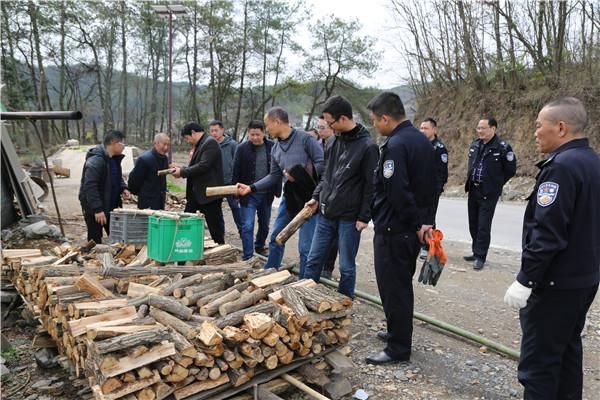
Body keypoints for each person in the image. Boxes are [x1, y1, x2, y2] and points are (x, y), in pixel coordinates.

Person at [503, 97, 599, 400]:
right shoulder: (593, 162)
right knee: (567, 353)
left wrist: (526, 279)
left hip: (555, 284)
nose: (534, 132)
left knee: (539, 365)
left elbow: (547, 234)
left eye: (538, 126)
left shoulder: (561, 168)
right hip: (583, 279)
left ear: (561, 127)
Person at [365, 91, 436, 365]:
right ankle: (397, 333)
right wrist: (425, 220)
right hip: (409, 229)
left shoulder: (396, 145)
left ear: (385, 118)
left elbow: (397, 192)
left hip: (396, 230)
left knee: (394, 288)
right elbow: (431, 187)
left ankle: (398, 348)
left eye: (375, 121)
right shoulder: (420, 140)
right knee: (399, 286)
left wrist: (417, 222)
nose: (375, 126)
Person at [303, 96, 379, 298]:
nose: (328, 126)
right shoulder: (332, 142)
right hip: (326, 213)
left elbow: (371, 185)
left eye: (330, 122)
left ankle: (345, 302)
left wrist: (364, 216)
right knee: (313, 259)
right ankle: (303, 299)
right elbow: (326, 175)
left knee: (346, 267)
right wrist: (317, 197)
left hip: (349, 218)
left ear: (343, 118)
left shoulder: (368, 147)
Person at [237, 107, 324, 275]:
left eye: (267, 125)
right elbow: (273, 176)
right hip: (290, 197)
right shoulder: (275, 148)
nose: (266, 129)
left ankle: (305, 283)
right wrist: (251, 188)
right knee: (276, 237)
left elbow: (322, 164)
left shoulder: (305, 139)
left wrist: (300, 173)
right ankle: (269, 273)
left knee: (306, 247)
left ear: (277, 122)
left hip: (310, 198)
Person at [464, 117, 516, 270]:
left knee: (483, 226)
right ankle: (475, 251)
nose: (480, 131)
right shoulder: (475, 145)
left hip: (489, 192)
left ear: (493, 129)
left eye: (483, 128)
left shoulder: (503, 147)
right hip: (474, 189)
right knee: (473, 222)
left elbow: (510, 170)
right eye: (478, 128)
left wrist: (496, 183)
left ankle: (480, 256)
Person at [232, 120, 279, 260]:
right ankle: (248, 256)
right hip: (248, 194)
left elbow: (277, 171)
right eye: (252, 134)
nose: (254, 137)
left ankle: (259, 245)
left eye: (257, 134)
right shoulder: (242, 148)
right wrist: (235, 191)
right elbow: (236, 170)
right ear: (248, 133)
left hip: (267, 193)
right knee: (247, 225)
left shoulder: (273, 147)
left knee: (264, 224)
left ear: (264, 133)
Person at [172, 122, 225, 244]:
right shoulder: (202, 143)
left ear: (193, 133)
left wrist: (182, 172)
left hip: (209, 195)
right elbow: (196, 166)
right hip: (196, 194)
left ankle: (221, 250)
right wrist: (182, 168)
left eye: (187, 138)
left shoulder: (210, 143)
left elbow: (203, 166)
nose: (188, 141)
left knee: (215, 227)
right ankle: (184, 250)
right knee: (186, 222)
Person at [79, 130, 130, 244]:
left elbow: (116, 177)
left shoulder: (114, 159)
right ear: (113, 143)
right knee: (95, 239)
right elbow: (90, 186)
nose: (124, 147)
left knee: (117, 237)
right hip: (96, 208)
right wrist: (97, 209)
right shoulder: (96, 160)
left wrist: (123, 188)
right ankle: (93, 260)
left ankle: (114, 259)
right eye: (122, 143)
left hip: (111, 206)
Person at [419, 117, 448, 258]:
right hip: (419, 189)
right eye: (421, 128)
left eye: (426, 128)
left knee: (429, 218)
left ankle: (427, 246)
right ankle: (421, 243)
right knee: (419, 216)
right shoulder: (418, 145)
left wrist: (437, 189)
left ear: (434, 130)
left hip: (432, 190)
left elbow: (442, 173)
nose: (422, 131)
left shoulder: (439, 149)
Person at [209, 120, 242, 236]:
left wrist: (237, 181)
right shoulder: (209, 145)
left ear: (222, 130)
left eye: (216, 130)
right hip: (215, 183)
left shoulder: (232, 144)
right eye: (212, 131)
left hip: (230, 182)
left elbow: (238, 164)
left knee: (235, 208)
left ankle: (242, 231)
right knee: (217, 210)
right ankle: (220, 233)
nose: (214, 133)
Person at [316, 115, 338, 279]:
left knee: (333, 237)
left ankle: (327, 267)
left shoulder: (337, 145)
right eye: (319, 127)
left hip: (333, 196)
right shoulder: (317, 145)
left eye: (323, 127)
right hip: (318, 193)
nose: (320, 131)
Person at [127, 133, 170, 210]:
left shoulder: (165, 159)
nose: (166, 147)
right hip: (147, 201)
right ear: (156, 143)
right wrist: (141, 193)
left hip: (160, 200)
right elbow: (134, 180)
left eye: (168, 145)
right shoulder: (145, 159)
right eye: (164, 144)